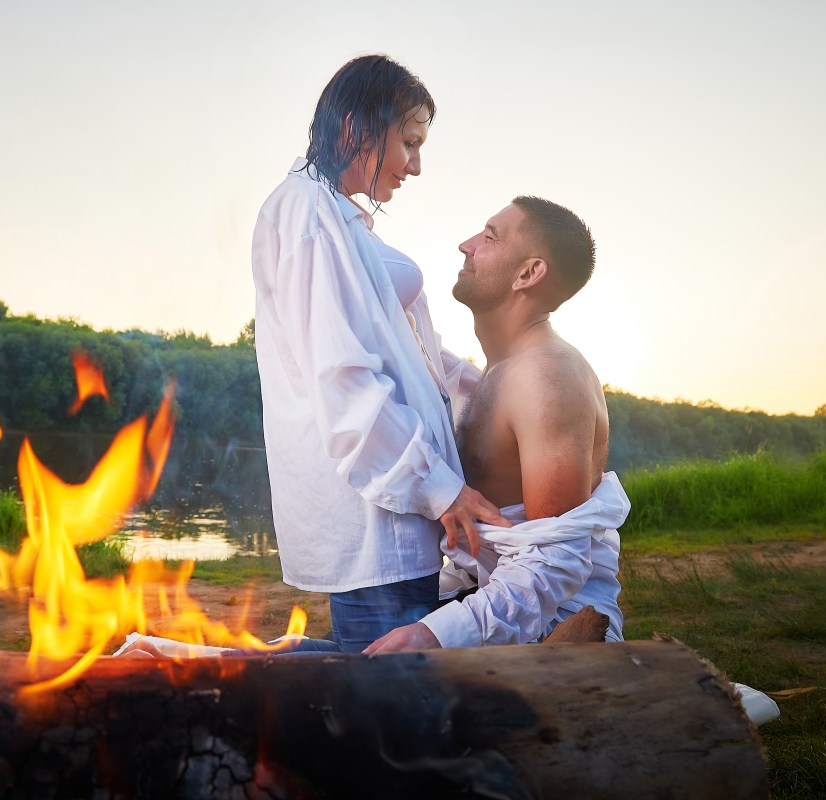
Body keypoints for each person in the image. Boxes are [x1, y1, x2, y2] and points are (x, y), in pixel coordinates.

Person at [251, 55, 507, 654]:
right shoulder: (306, 212)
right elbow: (344, 379)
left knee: (389, 695)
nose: (416, 165)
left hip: (399, 518)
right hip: (378, 519)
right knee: (398, 723)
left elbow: (416, 355)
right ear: (356, 128)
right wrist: (439, 489)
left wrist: (503, 388)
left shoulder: (342, 220)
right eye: (410, 142)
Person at [366, 196, 629, 654]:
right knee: (287, 657)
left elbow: (554, 564)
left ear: (528, 274)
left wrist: (434, 633)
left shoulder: (547, 376)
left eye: (489, 237)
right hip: (492, 601)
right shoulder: (497, 370)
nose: (466, 245)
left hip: (550, 631)